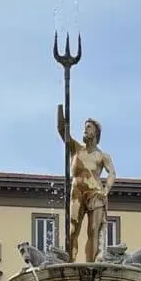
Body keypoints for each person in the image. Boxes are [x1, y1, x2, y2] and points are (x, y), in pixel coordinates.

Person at [56, 106, 116, 263]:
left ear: (95, 132)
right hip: (76, 191)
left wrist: (106, 190)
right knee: (73, 228)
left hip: (95, 193)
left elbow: (112, 173)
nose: (85, 130)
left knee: (93, 230)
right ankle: (69, 262)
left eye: (88, 127)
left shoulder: (103, 156)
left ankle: (92, 264)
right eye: (84, 127)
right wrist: (60, 108)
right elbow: (62, 131)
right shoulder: (76, 149)